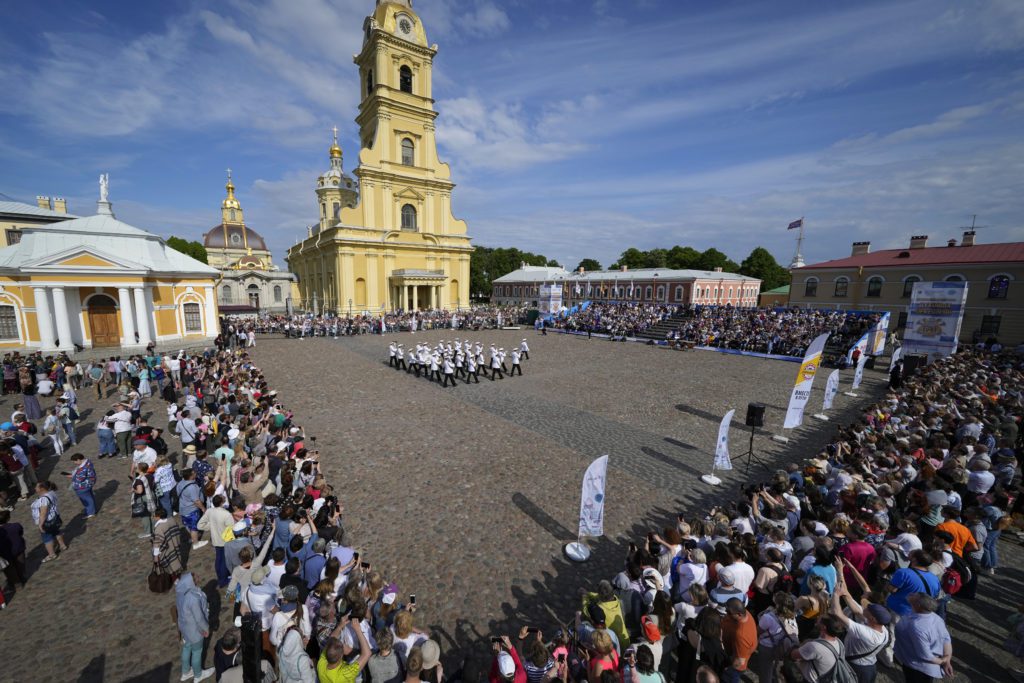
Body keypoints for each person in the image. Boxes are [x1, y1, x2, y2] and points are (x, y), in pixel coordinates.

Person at [893, 593, 953, 683]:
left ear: (918, 605)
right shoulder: (936, 617)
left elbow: (925, 655)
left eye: (915, 596)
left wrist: (943, 662)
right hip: (924, 665)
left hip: (918, 668)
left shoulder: (917, 627)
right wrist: (947, 660)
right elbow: (946, 639)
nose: (911, 594)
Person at [175, 571, 216, 682]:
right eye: (196, 578)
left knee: (187, 647)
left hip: (184, 627)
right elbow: (199, 618)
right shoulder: (193, 598)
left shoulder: (180, 591)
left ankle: (186, 671)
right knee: (197, 652)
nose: (198, 578)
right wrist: (206, 628)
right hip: (194, 630)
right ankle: (198, 675)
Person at [790, 614, 848, 683]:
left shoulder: (814, 646)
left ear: (824, 627)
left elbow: (793, 655)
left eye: (820, 620)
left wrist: (803, 643)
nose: (817, 618)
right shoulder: (839, 642)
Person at [317, 613, 372, 683]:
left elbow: (331, 639)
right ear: (341, 656)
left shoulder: (321, 664)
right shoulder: (345, 674)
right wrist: (358, 629)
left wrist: (340, 626)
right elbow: (367, 653)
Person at [197, 495, 235, 587]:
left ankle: (221, 578)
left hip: (216, 540)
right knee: (224, 561)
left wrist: (212, 526)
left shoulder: (210, 511)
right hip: (225, 541)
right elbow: (232, 529)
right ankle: (223, 580)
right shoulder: (226, 514)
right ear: (221, 503)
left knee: (219, 559)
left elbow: (200, 525)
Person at [31, 480, 68, 562]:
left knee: (47, 538)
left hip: (47, 521)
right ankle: (62, 545)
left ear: (42, 488)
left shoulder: (44, 499)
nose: (35, 488)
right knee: (56, 531)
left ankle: (52, 554)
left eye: (37, 487)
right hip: (54, 518)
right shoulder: (51, 493)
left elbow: (43, 513)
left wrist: (40, 524)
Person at [721, 599, 756, 683]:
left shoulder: (741, 635)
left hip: (734, 665)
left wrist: (727, 668)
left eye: (729, 613)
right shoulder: (745, 613)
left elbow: (740, 661)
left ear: (739, 614)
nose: (726, 614)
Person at [176, 468, 208, 549]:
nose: (195, 474)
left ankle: (194, 538)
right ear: (191, 476)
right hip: (191, 510)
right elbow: (196, 501)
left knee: (188, 525)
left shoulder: (180, 483)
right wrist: (203, 509)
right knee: (194, 527)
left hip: (183, 508)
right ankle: (196, 543)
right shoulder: (192, 487)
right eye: (194, 473)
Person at [0, 510, 27, 591]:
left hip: (5, 553)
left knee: (9, 569)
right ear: (8, 518)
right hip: (18, 549)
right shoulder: (16, 526)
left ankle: (17, 584)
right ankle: (22, 578)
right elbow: (20, 532)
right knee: (20, 565)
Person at [65, 452, 98, 518]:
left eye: (75, 461)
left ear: (79, 459)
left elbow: (79, 479)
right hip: (90, 482)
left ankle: (91, 512)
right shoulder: (88, 462)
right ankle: (92, 510)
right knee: (90, 496)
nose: (75, 463)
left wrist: (72, 476)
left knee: (86, 499)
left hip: (83, 486)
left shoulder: (83, 468)